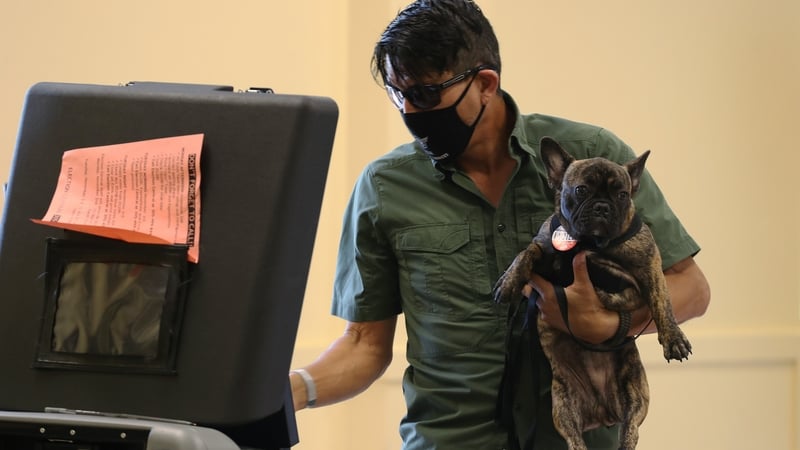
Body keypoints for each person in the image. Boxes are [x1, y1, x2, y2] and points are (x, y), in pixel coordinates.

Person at [289, 0, 710, 449]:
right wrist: (286, 392)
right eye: (398, 94)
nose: (410, 110)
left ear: (485, 83)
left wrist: (612, 323)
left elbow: (690, 288)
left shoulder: (592, 158)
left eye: (426, 94)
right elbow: (364, 345)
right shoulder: (383, 187)